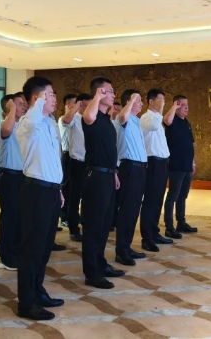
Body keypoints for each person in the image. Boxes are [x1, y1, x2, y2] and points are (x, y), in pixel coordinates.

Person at [15, 77, 65, 321]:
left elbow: (52, 159)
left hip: (51, 190)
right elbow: (32, 119)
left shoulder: (49, 123)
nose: (55, 98)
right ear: (37, 98)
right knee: (32, 249)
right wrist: (37, 102)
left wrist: (59, 189)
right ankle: (26, 303)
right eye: (50, 94)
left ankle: (38, 291)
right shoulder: (28, 122)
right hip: (35, 191)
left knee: (44, 248)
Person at [81, 77, 124, 289]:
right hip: (95, 177)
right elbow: (88, 116)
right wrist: (97, 96)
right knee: (93, 226)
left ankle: (100, 263)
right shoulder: (91, 116)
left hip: (108, 175)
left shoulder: (107, 120)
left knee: (105, 225)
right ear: (99, 92)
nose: (114, 94)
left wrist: (114, 172)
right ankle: (92, 273)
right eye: (110, 91)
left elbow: (109, 151)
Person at [139, 89, 178, 251]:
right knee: (150, 201)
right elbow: (155, 126)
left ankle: (154, 232)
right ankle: (146, 238)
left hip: (162, 163)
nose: (163, 102)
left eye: (164, 100)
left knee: (158, 200)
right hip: (152, 163)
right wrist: (161, 111)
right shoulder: (146, 118)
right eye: (160, 100)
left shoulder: (157, 118)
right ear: (151, 101)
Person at [114, 89, 148, 266]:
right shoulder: (123, 118)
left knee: (134, 210)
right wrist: (132, 100)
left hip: (140, 169)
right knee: (127, 210)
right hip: (129, 168)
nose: (141, 103)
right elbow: (122, 116)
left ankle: (126, 246)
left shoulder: (136, 121)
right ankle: (121, 251)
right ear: (129, 102)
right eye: (138, 100)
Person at [0, 94, 27, 271]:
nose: (24, 106)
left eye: (24, 104)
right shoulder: (3, 125)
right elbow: (7, 131)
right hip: (9, 176)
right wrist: (12, 110)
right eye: (19, 104)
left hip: (23, 176)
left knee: (21, 217)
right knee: (9, 216)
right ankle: (5, 256)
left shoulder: (23, 126)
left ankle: (16, 252)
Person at [163, 94, 198, 237]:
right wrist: (173, 107)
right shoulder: (172, 121)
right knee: (173, 195)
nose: (186, 108)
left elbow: (191, 145)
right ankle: (169, 227)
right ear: (176, 106)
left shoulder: (186, 123)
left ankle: (181, 223)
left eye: (187, 105)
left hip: (187, 165)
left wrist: (193, 162)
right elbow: (166, 120)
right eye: (182, 105)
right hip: (176, 165)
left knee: (183, 195)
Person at [62, 93, 92, 242]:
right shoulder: (74, 119)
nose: (87, 108)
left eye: (89, 105)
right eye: (84, 105)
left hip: (90, 164)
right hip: (77, 163)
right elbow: (65, 120)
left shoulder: (92, 120)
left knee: (89, 198)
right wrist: (75, 107)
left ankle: (87, 226)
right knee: (74, 198)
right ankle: (73, 229)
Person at [58, 93, 77, 227]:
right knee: (66, 187)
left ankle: (72, 214)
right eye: (76, 103)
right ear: (69, 105)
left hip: (75, 157)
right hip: (67, 156)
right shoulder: (62, 120)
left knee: (74, 189)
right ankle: (64, 215)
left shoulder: (77, 119)